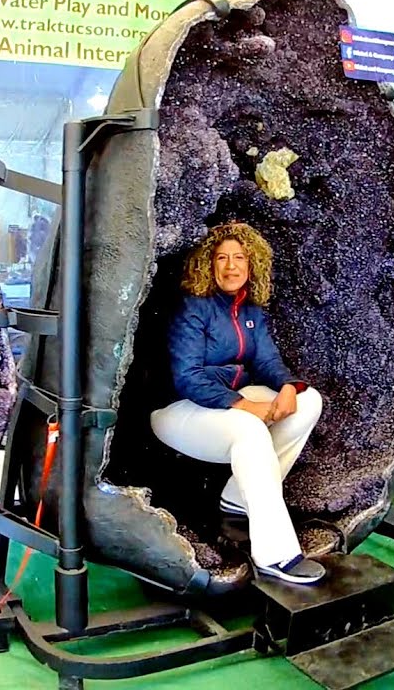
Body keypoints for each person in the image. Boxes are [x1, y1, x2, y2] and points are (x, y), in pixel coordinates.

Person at [150, 222, 326, 584]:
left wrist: (289, 387)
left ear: (252, 264)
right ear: (208, 264)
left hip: (226, 404)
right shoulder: (193, 306)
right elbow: (187, 377)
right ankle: (276, 555)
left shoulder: (251, 310)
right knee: (249, 429)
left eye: (239, 258)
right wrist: (245, 406)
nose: (231, 267)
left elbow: (267, 362)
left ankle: (237, 498)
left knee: (309, 402)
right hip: (178, 409)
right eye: (222, 258)